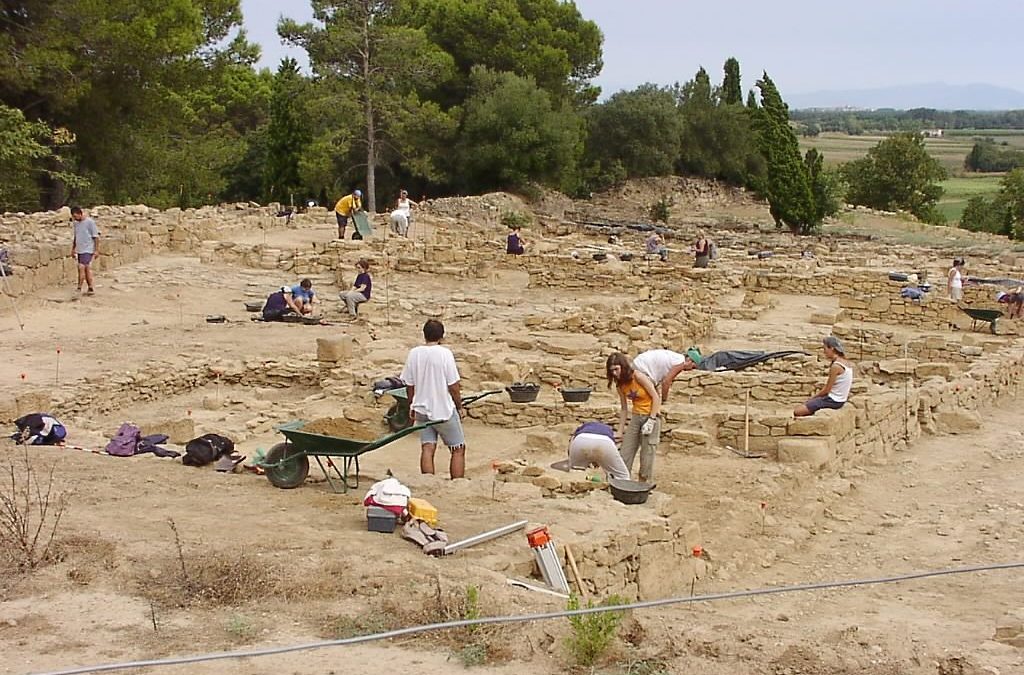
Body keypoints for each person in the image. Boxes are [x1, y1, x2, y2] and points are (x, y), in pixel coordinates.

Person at [399, 319, 467, 479]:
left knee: (427, 447)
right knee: (458, 448)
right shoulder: (445, 354)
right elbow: (454, 386)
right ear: (442, 336)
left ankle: (428, 481)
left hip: (422, 407)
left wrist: (411, 405)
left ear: (424, 335)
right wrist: (459, 406)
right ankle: (457, 482)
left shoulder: (414, 353)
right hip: (442, 408)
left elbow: (409, 384)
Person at [606, 352, 662, 482]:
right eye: (612, 371)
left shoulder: (638, 376)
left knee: (647, 453)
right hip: (636, 417)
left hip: (651, 415)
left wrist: (652, 419)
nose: (615, 373)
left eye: (616, 369)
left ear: (623, 366)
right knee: (626, 451)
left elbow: (655, 397)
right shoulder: (620, 385)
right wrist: (620, 430)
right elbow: (624, 408)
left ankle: (643, 483)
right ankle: (621, 481)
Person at [794, 336, 853, 417]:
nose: (824, 352)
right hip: (840, 399)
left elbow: (827, 390)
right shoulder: (846, 362)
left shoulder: (836, 366)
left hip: (833, 400)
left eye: (825, 349)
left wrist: (812, 399)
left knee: (797, 411)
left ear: (831, 348)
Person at [565, 421, 630, 480]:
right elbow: (610, 453)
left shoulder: (582, 427)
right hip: (604, 442)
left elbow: (571, 441)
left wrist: (571, 460)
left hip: (581, 440)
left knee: (576, 473)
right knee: (623, 476)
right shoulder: (608, 429)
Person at [70, 206, 100, 295]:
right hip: (80, 249)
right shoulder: (76, 223)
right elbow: (76, 236)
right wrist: (73, 249)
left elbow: (96, 237)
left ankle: (79, 288)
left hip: (88, 249)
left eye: (76, 216)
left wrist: (96, 250)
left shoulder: (90, 222)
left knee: (81, 267)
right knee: (86, 269)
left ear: (80, 214)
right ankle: (90, 287)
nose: (75, 218)